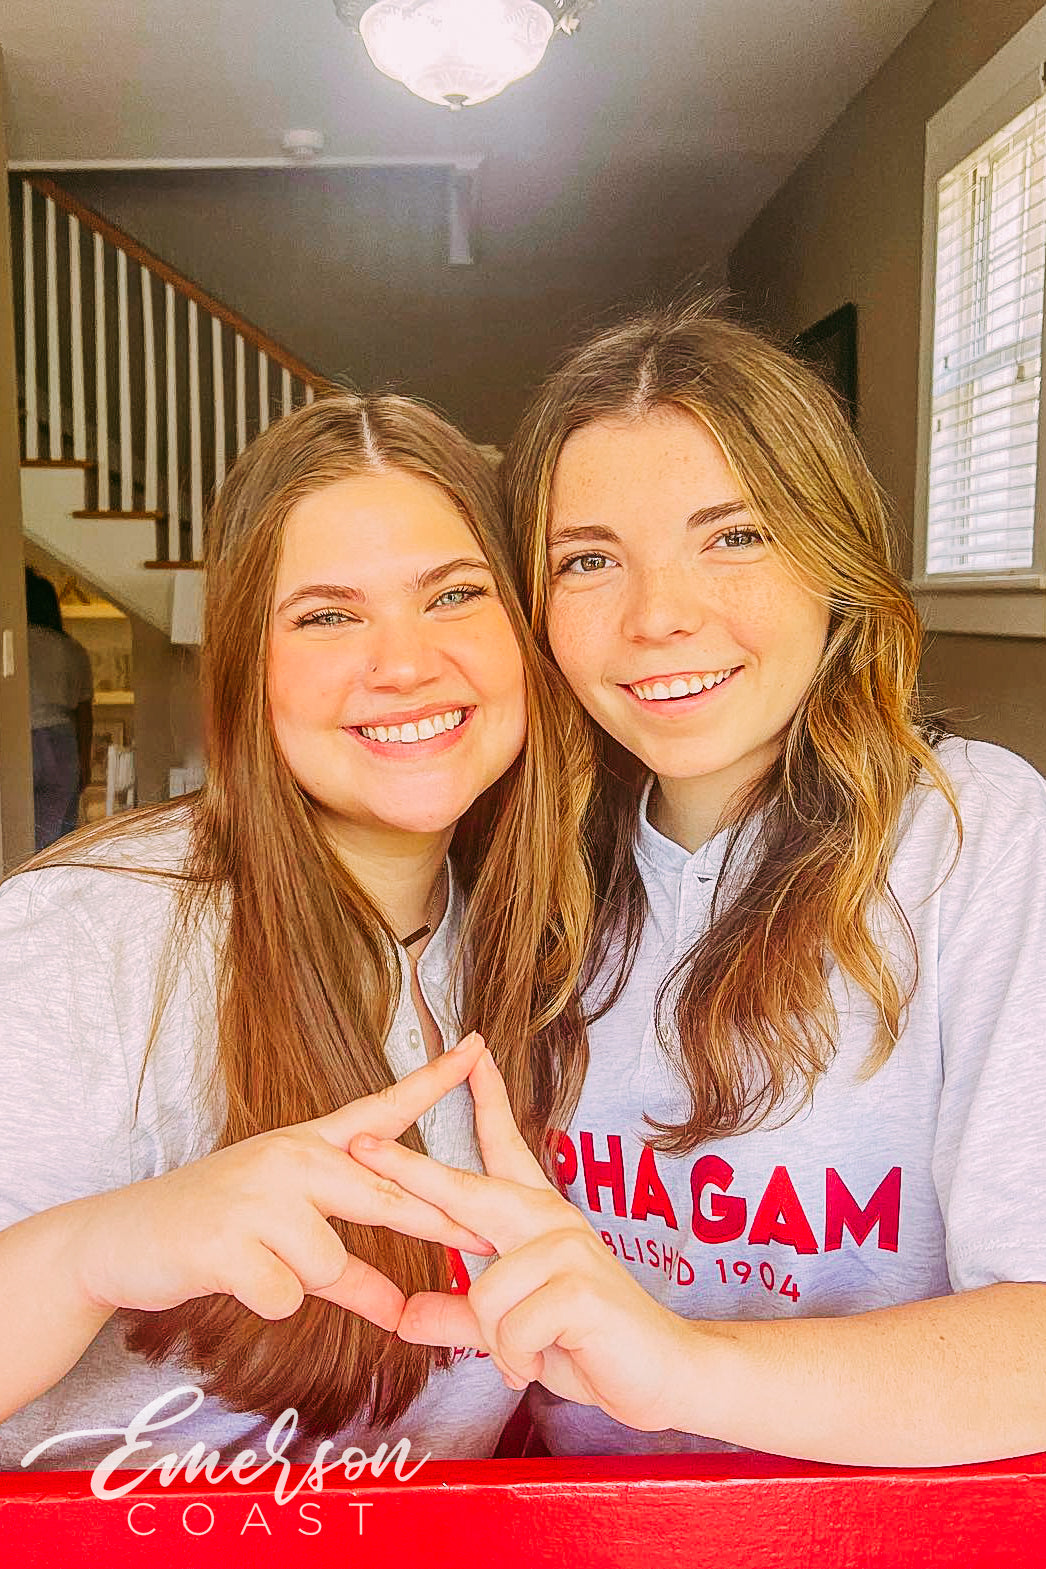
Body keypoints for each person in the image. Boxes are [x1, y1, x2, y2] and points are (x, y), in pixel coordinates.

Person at [347, 302, 1046, 1467]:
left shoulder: (975, 840)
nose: (658, 616)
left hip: (872, 1535)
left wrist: (679, 1366)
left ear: (830, 559)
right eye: (587, 560)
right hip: (563, 1524)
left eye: (733, 536)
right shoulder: (511, 855)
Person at [0, 393, 591, 1470]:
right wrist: (94, 1249)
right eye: (326, 616)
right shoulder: (83, 943)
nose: (403, 663)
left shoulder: (552, 938)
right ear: (247, 667)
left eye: (454, 594)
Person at [25, 566, 94, 849]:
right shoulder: (72, 649)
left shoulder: (13, 641)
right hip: (63, 739)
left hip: (23, 738)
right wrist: (85, 761)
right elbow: (84, 713)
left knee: (17, 830)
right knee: (57, 839)